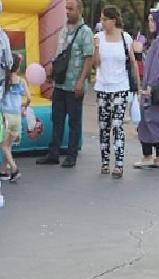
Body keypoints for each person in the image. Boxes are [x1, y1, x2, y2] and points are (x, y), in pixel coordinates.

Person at [36, 0, 93, 168]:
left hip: (74, 85)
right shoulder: (62, 31)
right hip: (60, 84)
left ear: (79, 10)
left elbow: (88, 59)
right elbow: (59, 56)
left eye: (70, 9)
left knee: (74, 122)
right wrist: (51, 75)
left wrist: (81, 82)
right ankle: (53, 153)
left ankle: (71, 155)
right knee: (57, 119)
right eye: (66, 8)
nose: (67, 12)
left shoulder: (85, 32)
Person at [92, 6, 141, 178]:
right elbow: (95, 63)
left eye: (105, 19)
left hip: (120, 87)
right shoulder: (98, 38)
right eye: (101, 19)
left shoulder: (125, 37)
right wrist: (97, 48)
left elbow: (133, 62)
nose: (102, 22)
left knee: (117, 125)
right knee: (104, 126)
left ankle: (119, 164)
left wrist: (138, 86)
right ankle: (105, 161)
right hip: (102, 87)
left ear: (113, 20)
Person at [133, 10, 159, 169]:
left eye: (152, 20)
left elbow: (157, 65)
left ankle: (148, 155)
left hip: (153, 87)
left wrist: (150, 85)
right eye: (149, 20)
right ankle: (158, 157)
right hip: (158, 86)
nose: (150, 23)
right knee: (158, 120)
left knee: (148, 119)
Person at [0, 54, 29, 182]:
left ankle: (14, 168)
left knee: (4, 146)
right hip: (17, 116)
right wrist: (23, 106)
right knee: (9, 145)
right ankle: (2, 171)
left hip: (6, 116)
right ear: (18, 68)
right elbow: (29, 98)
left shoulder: (4, 80)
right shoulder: (21, 81)